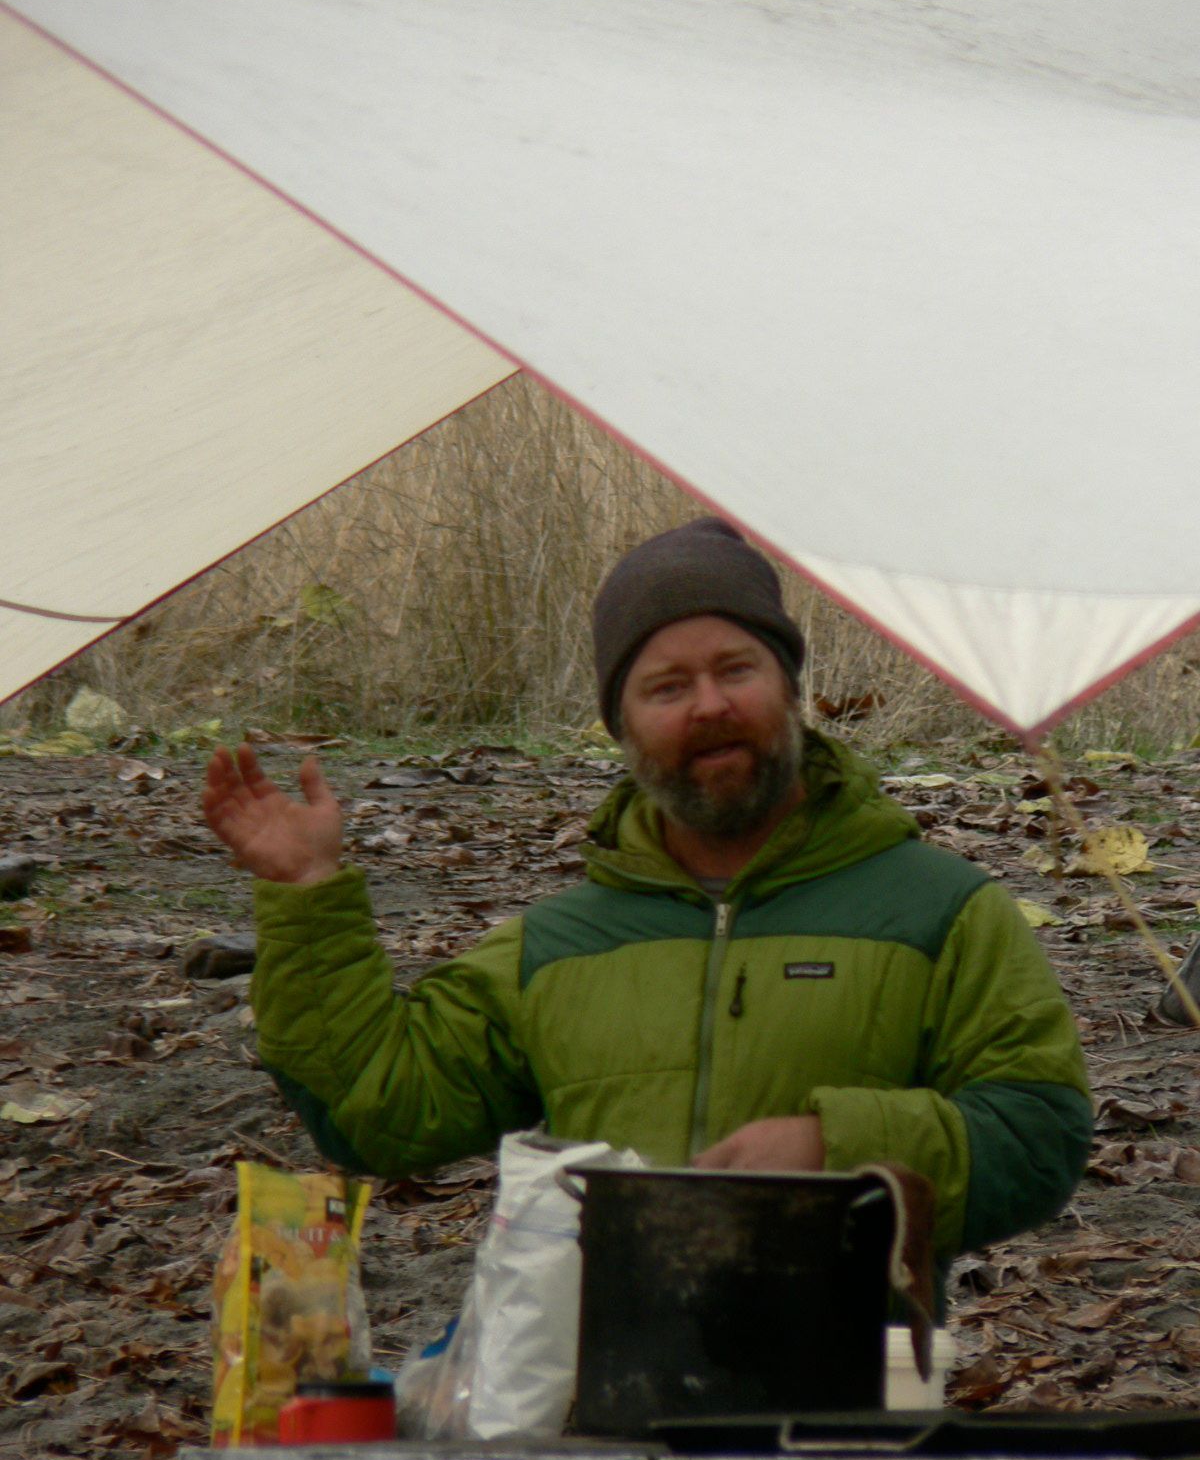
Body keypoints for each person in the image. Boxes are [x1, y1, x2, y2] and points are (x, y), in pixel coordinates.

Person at [203, 517, 1091, 1269]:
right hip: (604, 1400)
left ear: (790, 688)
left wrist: (842, 1149)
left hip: (852, 1407)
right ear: (622, 727)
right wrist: (307, 890)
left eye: (736, 670)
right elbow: (374, 1110)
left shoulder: (942, 911)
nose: (709, 706)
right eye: (667, 687)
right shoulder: (559, 947)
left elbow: (1036, 1134)